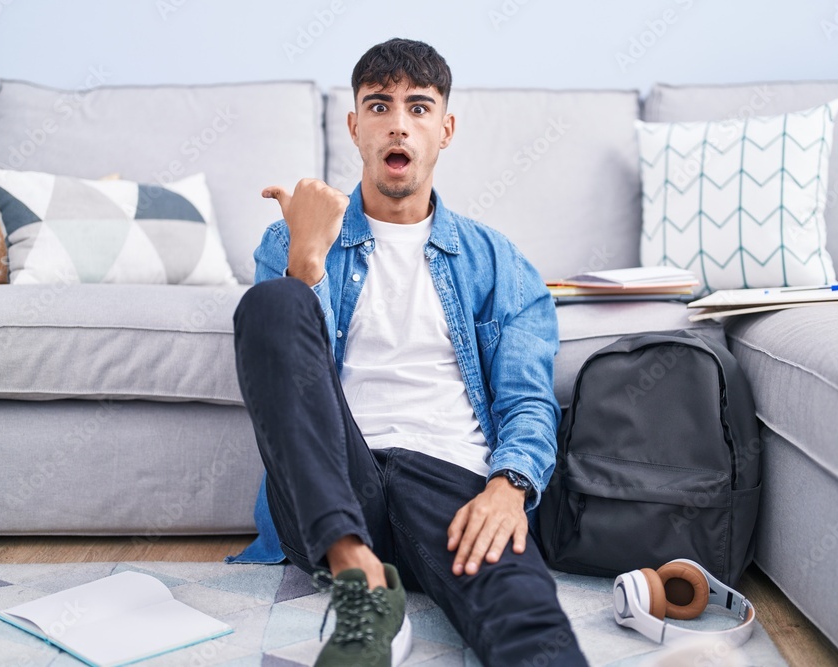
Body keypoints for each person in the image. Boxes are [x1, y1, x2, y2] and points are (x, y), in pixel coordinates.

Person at [233, 38, 588, 667]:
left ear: (445, 129)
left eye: (419, 108)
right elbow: (285, 376)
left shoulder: (499, 262)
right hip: (334, 489)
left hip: (452, 482)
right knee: (272, 304)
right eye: (379, 106)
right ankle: (360, 580)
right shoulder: (289, 238)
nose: (399, 123)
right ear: (355, 126)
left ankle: (383, 590)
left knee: (529, 624)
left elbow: (529, 401)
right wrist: (307, 261)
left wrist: (509, 487)